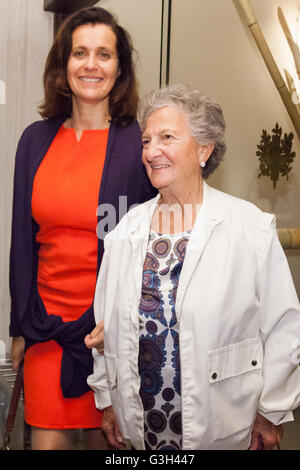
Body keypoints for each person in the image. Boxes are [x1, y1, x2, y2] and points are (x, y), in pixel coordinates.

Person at [87, 84, 300, 450]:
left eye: (167, 137)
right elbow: (105, 327)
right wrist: (108, 400)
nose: (152, 151)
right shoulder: (124, 231)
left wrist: (272, 409)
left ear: (204, 149)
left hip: (225, 428)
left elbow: (284, 328)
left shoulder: (250, 228)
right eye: (146, 141)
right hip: (142, 430)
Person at [9, 7, 156, 450]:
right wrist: (19, 326)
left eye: (104, 54)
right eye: (79, 53)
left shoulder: (141, 144)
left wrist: (128, 322)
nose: (91, 64)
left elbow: (157, 245)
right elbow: (21, 243)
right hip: (46, 332)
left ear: (120, 67)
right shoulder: (35, 140)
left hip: (112, 339)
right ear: (63, 65)